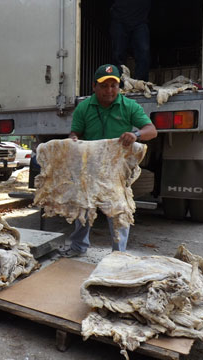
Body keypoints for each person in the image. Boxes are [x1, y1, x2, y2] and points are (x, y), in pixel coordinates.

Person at [61, 64, 157, 257]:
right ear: (94, 86)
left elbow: (151, 130)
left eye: (114, 85)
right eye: (104, 86)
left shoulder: (129, 106)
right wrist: (72, 139)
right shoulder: (84, 107)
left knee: (118, 210)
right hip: (89, 166)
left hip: (116, 168)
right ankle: (78, 247)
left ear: (119, 87)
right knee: (83, 207)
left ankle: (118, 255)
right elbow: (75, 133)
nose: (109, 90)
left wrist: (135, 134)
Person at [110, 0, 151, 82]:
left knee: (144, 51)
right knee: (118, 53)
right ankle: (119, 84)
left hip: (140, 21)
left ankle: (141, 83)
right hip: (119, 19)